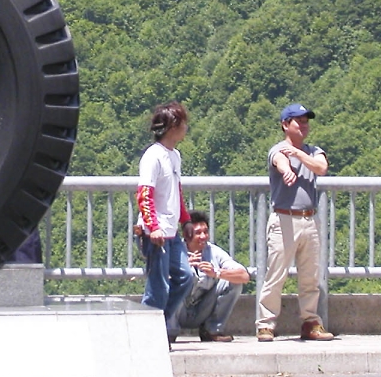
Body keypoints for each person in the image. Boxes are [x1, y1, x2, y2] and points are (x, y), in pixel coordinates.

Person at [256, 103, 334, 342]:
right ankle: (265, 324)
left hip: (310, 219)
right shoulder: (278, 149)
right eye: (298, 121)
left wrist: (299, 155)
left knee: (310, 277)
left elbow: (321, 168)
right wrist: (286, 169)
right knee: (276, 274)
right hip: (284, 219)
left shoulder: (313, 151)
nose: (303, 125)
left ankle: (311, 322)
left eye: (306, 121)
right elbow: (279, 159)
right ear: (285, 124)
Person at [136, 101, 194, 345]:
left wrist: (185, 220)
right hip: (156, 233)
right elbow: (144, 194)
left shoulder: (174, 156)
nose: (186, 128)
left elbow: (175, 191)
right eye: (183, 123)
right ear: (173, 126)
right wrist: (153, 227)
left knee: (186, 276)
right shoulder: (153, 156)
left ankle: (157, 325)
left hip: (171, 232)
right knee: (158, 287)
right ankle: (147, 335)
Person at [168, 210, 250, 343]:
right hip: (178, 310)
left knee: (233, 282)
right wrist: (182, 268)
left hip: (202, 309)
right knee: (168, 283)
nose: (203, 236)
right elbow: (159, 278)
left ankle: (212, 330)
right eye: (198, 233)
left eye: (205, 232)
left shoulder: (214, 252)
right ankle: (169, 332)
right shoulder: (175, 252)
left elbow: (244, 276)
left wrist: (217, 273)